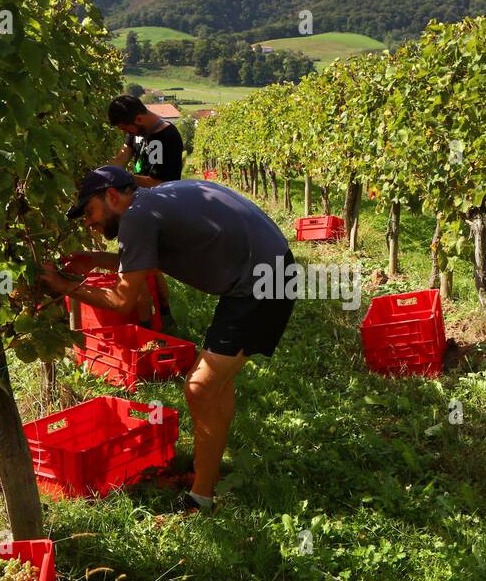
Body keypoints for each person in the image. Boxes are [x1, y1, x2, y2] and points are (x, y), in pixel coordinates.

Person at [41, 165, 296, 515]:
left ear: (112, 196)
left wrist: (63, 286)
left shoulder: (137, 217)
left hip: (262, 284)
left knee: (200, 387)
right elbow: (141, 258)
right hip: (264, 274)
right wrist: (93, 261)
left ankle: (200, 499)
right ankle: (208, 471)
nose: (88, 222)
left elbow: (121, 300)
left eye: (90, 211)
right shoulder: (152, 203)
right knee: (215, 385)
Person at [108, 94, 185, 331]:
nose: (126, 133)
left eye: (126, 128)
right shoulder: (136, 131)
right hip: (139, 206)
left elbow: (159, 182)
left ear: (139, 118)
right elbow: (122, 156)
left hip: (160, 208)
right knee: (148, 266)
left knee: (139, 268)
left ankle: (151, 325)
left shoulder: (166, 137)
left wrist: (123, 179)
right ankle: (161, 319)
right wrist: (105, 171)